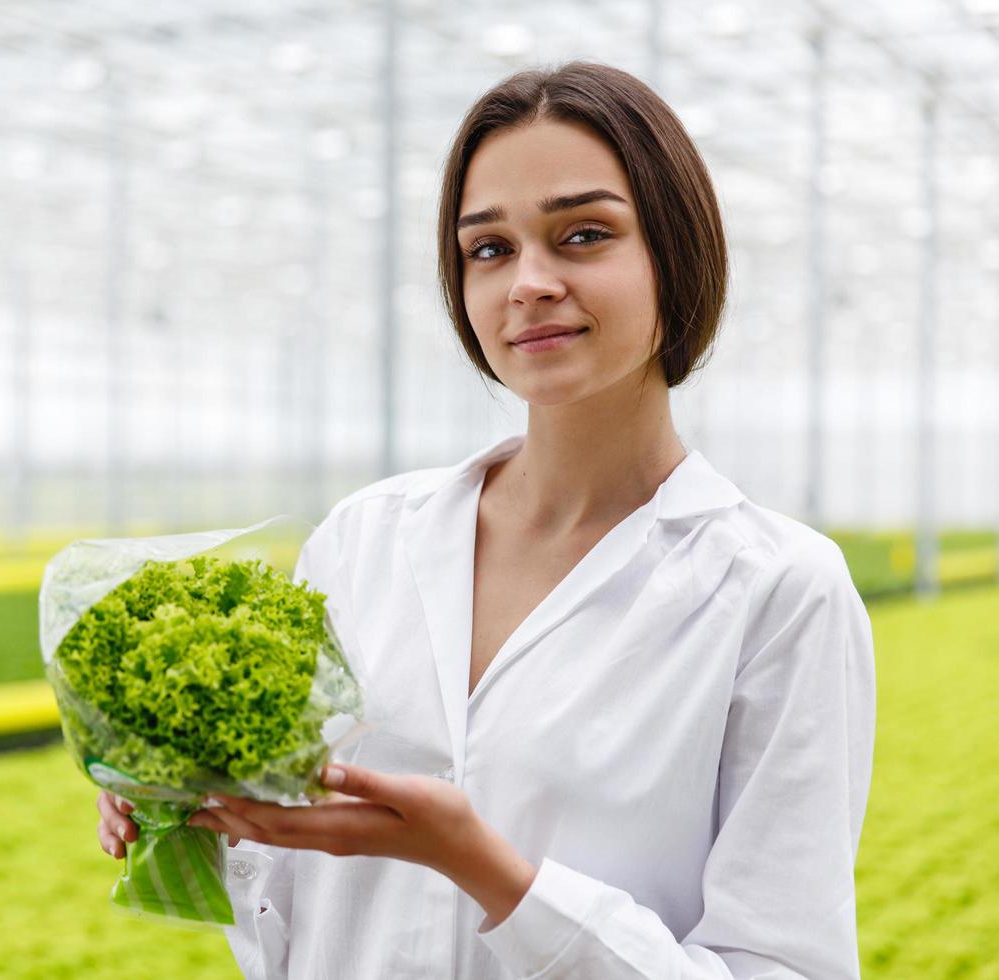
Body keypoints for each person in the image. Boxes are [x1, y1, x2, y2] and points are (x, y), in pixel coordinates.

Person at [96, 60, 875, 979]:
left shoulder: (776, 592)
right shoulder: (363, 542)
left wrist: (485, 868)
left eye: (583, 235)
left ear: (676, 248)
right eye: (490, 249)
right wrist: (195, 810)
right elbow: (298, 914)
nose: (528, 283)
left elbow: (783, 967)